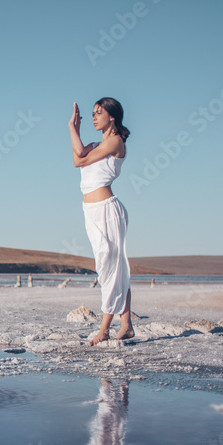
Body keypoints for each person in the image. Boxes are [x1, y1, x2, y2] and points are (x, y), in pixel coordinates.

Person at [69, 98, 133, 346]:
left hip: (108, 210)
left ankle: (105, 329)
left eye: (99, 113)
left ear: (113, 117)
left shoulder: (115, 141)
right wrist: (72, 129)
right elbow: (78, 159)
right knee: (113, 267)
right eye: (92, 113)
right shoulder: (96, 143)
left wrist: (74, 132)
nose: (94, 117)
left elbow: (81, 160)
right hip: (91, 211)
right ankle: (126, 325)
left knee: (110, 267)